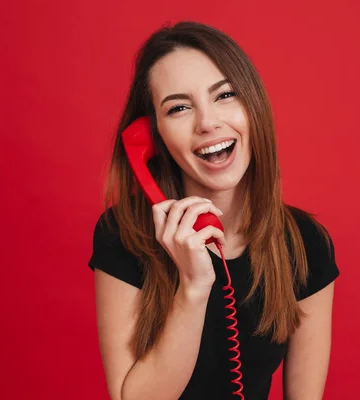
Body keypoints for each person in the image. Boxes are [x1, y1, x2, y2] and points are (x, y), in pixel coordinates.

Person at [88, 21, 340, 400]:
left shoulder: (305, 243)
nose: (207, 123)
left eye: (224, 96)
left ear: (253, 106)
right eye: (179, 108)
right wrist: (193, 287)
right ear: (152, 135)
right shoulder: (124, 236)